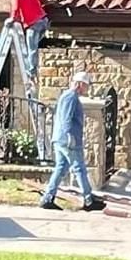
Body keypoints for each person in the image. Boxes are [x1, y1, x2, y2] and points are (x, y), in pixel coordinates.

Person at [40, 71, 105, 211]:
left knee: (61, 168)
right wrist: (70, 137)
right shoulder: (71, 97)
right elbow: (66, 119)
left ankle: (47, 198)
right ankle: (88, 200)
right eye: (86, 86)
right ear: (80, 84)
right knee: (79, 168)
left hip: (60, 139)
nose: (87, 89)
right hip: (68, 140)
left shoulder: (66, 96)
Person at [7, 0, 50, 81]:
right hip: (44, 21)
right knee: (34, 47)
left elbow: (15, 8)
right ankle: (33, 70)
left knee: (32, 48)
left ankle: (31, 72)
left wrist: (11, 19)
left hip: (33, 24)